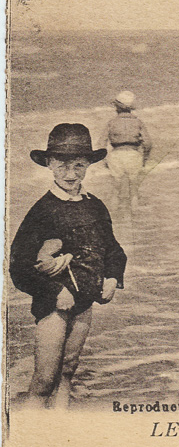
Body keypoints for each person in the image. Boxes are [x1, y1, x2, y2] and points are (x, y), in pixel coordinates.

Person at [9, 124, 126, 408]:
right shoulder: (42, 210)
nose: (71, 173)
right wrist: (54, 291)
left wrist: (112, 277)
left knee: (68, 371)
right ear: (49, 163)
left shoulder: (95, 205)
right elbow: (19, 267)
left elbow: (113, 249)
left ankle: (61, 429)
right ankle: (28, 436)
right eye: (62, 165)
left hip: (85, 301)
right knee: (45, 379)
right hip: (54, 304)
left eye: (79, 165)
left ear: (88, 164)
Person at [104, 91, 152, 212]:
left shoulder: (112, 122)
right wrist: (145, 158)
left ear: (117, 107)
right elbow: (148, 143)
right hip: (133, 154)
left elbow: (101, 143)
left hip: (116, 155)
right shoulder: (137, 122)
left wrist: (104, 159)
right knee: (134, 190)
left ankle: (113, 219)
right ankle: (134, 220)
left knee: (116, 190)